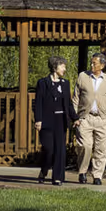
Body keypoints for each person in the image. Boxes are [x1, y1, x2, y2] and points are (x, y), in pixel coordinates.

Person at [72, 51, 106, 185]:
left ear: (102, 66)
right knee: (85, 146)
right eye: (91, 63)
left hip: (102, 119)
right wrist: (75, 117)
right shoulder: (83, 76)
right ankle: (82, 172)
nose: (92, 65)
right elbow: (76, 98)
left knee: (101, 149)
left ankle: (97, 175)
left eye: (95, 63)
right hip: (85, 118)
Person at [35, 56, 78, 186]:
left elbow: (68, 104)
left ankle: (57, 178)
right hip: (47, 121)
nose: (64, 68)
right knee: (49, 149)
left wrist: (75, 118)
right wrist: (38, 120)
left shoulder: (65, 84)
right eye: (62, 66)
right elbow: (38, 103)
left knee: (60, 150)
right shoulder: (42, 83)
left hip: (61, 121)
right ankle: (44, 170)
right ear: (55, 67)